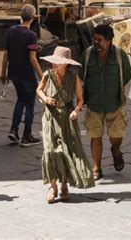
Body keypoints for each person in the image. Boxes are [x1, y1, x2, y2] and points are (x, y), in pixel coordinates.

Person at [37, 46, 95, 203]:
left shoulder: (73, 78)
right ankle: (52, 186)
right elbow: (39, 90)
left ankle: (63, 185)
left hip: (67, 118)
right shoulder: (48, 75)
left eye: (59, 62)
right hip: (50, 116)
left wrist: (77, 110)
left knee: (65, 151)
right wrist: (45, 98)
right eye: (55, 61)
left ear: (66, 64)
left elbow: (80, 98)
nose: (55, 64)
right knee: (49, 150)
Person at [81, 24, 131, 180]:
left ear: (109, 41)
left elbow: (128, 76)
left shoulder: (120, 56)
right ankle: (97, 168)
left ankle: (116, 151)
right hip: (94, 103)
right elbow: (80, 76)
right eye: (94, 39)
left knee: (116, 136)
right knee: (95, 136)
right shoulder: (88, 54)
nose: (96, 42)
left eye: (99, 39)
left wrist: (122, 95)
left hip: (114, 104)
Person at [1, 4, 43, 146]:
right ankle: (27, 135)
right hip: (27, 74)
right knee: (30, 104)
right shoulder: (31, 35)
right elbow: (32, 58)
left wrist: (3, 73)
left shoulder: (12, 31)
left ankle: (14, 129)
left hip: (14, 73)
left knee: (20, 100)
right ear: (33, 18)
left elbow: (6, 53)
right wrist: (42, 76)